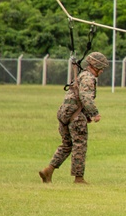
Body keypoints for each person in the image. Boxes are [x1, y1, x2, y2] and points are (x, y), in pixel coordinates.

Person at [39, 51, 109, 185]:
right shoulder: (88, 78)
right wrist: (94, 113)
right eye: (101, 68)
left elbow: (77, 97)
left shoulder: (81, 75)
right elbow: (85, 97)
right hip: (75, 117)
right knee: (79, 146)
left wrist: (86, 114)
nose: (102, 71)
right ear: (96, 66)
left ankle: (48, 170)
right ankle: (79, 178)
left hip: (64, 114)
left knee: (67, 145)